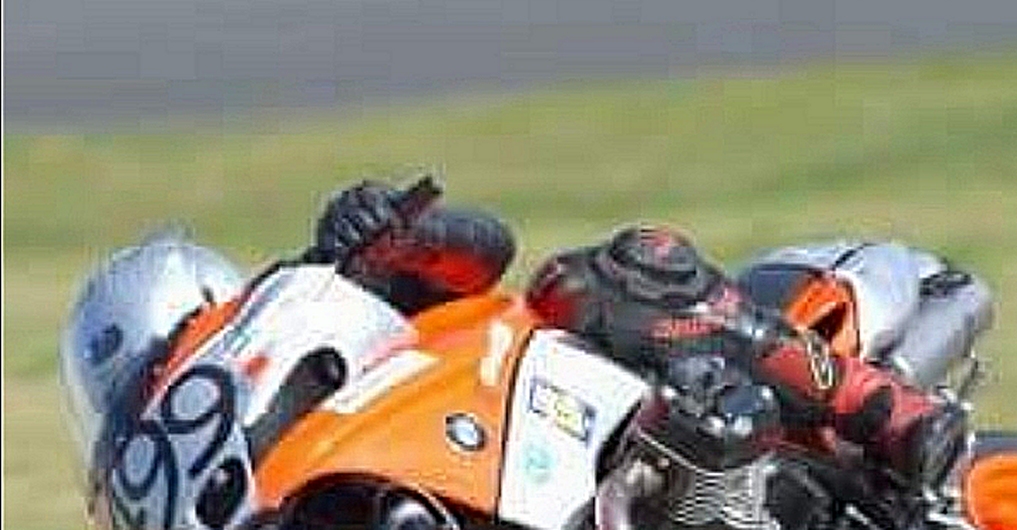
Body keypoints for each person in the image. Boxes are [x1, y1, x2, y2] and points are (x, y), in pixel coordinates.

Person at [315, 180, 968, 490]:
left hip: (522, 404)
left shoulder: (308, 309)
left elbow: (485, 256)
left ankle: (879, 406)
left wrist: (405, 238)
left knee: (605, 276)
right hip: (475, 502)